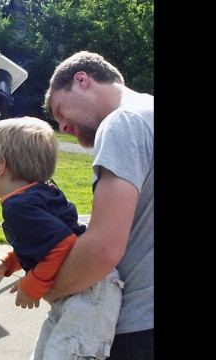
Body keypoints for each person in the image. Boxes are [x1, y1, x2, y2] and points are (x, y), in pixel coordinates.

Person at [0, 116, 124, 360]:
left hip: (89, 294)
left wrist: (31, 285)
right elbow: (41, 241)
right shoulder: (38, 193)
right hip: (84, 290)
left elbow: (62, 243)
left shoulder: (18, 205)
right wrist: (7, 263)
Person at [43, 50, 154, 360]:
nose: (62, 127)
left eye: (60, 110)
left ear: (81, 81)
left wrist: (50, 288)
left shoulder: (123, 122)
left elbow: (103, 248)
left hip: (138, 330)